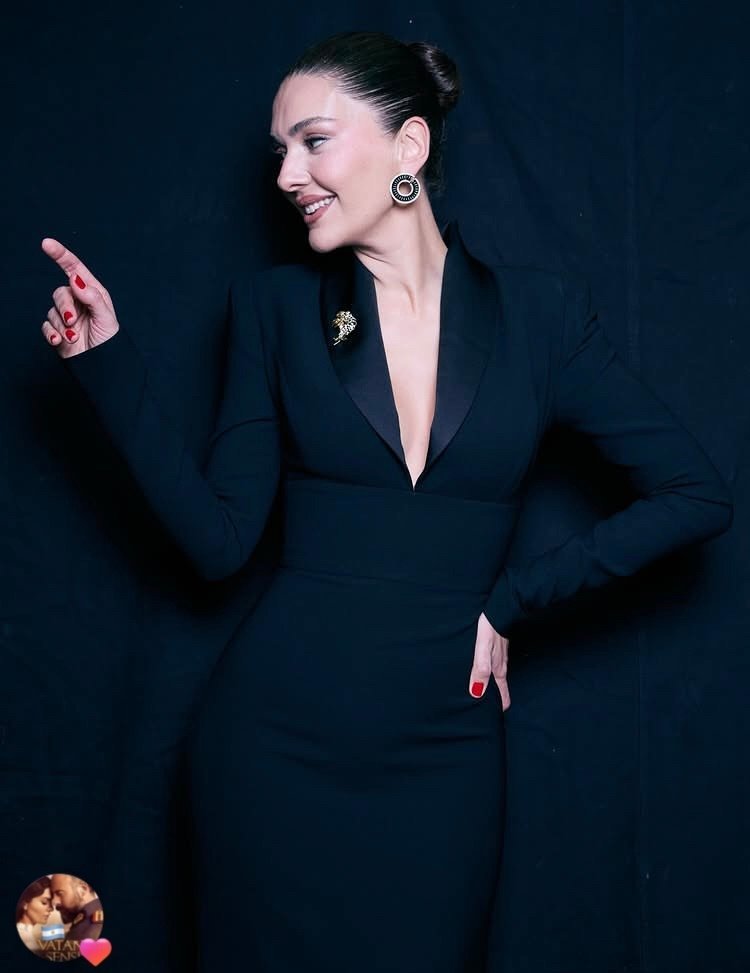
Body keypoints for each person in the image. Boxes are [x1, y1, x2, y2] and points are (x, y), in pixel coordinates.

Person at [38, 30, 733, 973]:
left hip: (443, 759)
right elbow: (217, 541)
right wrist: (106, 365)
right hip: (270, 750)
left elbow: (695, 492)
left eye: (313, 141)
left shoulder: (543, 319)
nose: (287, 175)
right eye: (280, 150)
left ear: (409, 145)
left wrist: (513, 598)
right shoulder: (273, 310)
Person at [49, 873, 104, 942]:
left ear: (83, 890)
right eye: (52, 895)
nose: (54, 902)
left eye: (60, 894)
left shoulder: (95, 926)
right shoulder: (83, 921)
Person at [16, 875, 53, 955]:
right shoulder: (25, 938)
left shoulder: (26, 934)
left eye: (51, 903)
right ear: (25, 904)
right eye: (44, 902)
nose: (51, 909)